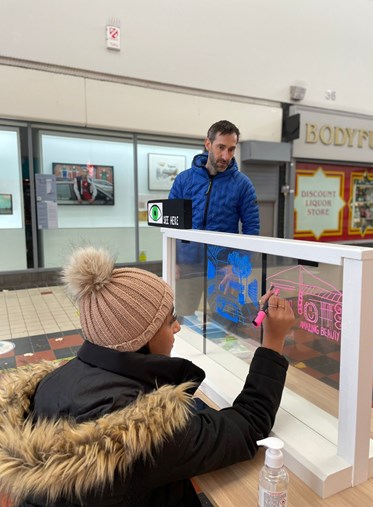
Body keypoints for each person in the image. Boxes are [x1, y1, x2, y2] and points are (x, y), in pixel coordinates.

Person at [0, 246, 294, 507]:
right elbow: (248, 425)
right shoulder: (141, 433)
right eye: (170, 321)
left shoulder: (53, 381)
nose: (177, 328)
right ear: (139, 339)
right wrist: (273, 344)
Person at [168, 120, 260, 321]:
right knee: (182, 319)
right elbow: (170, 224)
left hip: (223, 269)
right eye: (221, 147)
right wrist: (172, 260)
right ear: (208, 144)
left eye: (231, 149)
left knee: (226, 321)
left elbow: (252, 229)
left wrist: (237, 266)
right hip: (187, 267)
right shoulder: (184, 180)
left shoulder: (242, 184)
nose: (226, 156)